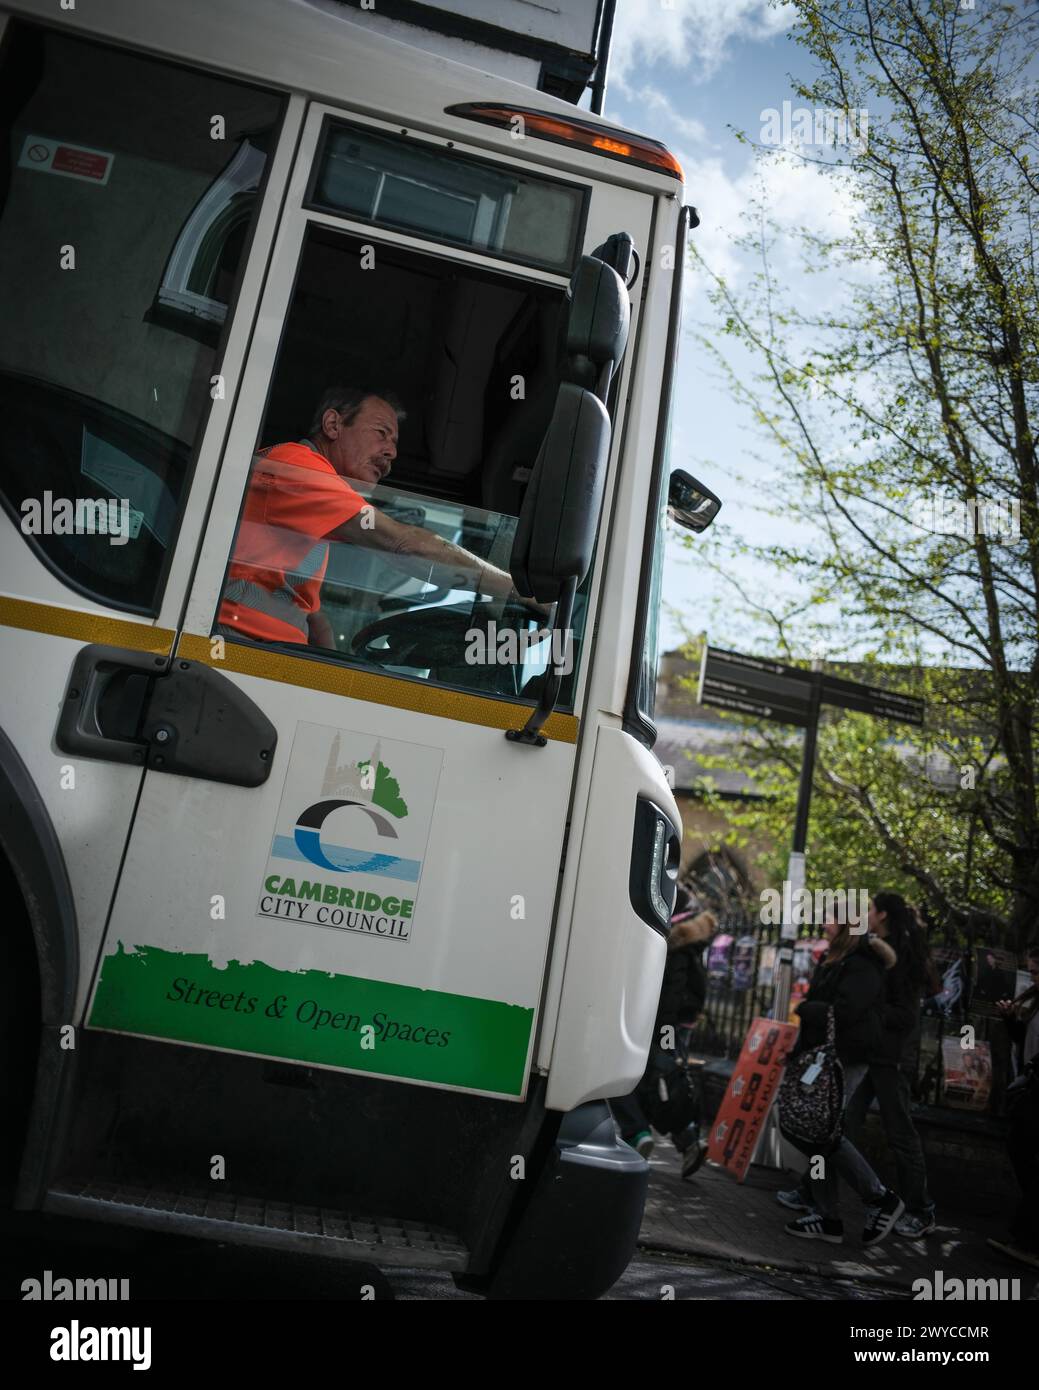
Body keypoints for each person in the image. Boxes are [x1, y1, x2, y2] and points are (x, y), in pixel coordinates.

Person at [217, 386, 533, 647]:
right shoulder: (298, 467)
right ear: (333, 425)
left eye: (394, 444)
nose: (391, 453)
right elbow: (405, 546)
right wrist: (517, 590)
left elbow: (314, 619)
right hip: (236, 644)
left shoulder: (315, 505)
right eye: (381, 434)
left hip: (268, 652)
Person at [780, 913, 906, 1247]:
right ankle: (827, 1215)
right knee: (817, 1133)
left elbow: (846, 1011)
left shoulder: (862, 962)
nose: (824, 924)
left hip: (847, 1057)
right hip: (825, 1054)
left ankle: (878, 1198)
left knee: (825, 1133)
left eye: (831, 919)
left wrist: (808, 1009)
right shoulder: (836, 957)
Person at [611, 894, 718, 1180]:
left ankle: (639, 1133)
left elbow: (672, 993)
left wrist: (662, 1032)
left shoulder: (679, 945)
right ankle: (685, 1139)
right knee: (662, 1082)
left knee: (637, 1076)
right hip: (670, 1027)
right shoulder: (692, 944)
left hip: (662, 1026)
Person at [988, 946, 1039, 1268]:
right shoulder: (1035, 1003)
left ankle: (1029, 1239)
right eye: (1032, 972)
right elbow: (1025, 1041)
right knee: (1020, 1150)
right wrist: (1010, 1021)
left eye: (1037, 971)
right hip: (1033, 1086)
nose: (1033, 978)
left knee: (1027, 1154)